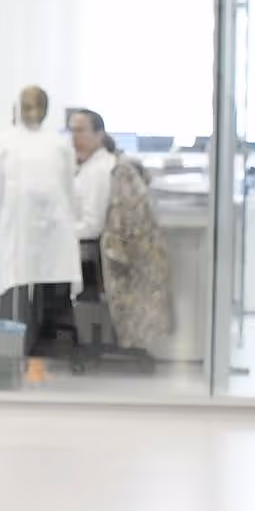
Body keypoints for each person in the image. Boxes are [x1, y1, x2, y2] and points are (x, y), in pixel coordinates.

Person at [65, 106, 171, 357]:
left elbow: (92, 226)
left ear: (99, 135)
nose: (74, 137)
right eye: (71, 131)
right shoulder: (93, 165)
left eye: (80, 130)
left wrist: (57, 232)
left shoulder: (99, 170)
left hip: (99, 254)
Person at [0, 85, 80, 358]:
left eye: (37, 105)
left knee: (48, 296)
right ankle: (7, 355)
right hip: (16, 229)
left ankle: (43, 354)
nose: (31, 111)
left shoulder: (60, 144)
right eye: (26, 105)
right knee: (13, 294)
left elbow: (68, 190)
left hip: (53, 232)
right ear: (17, 107)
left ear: (46, 110)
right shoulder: (3, 142)